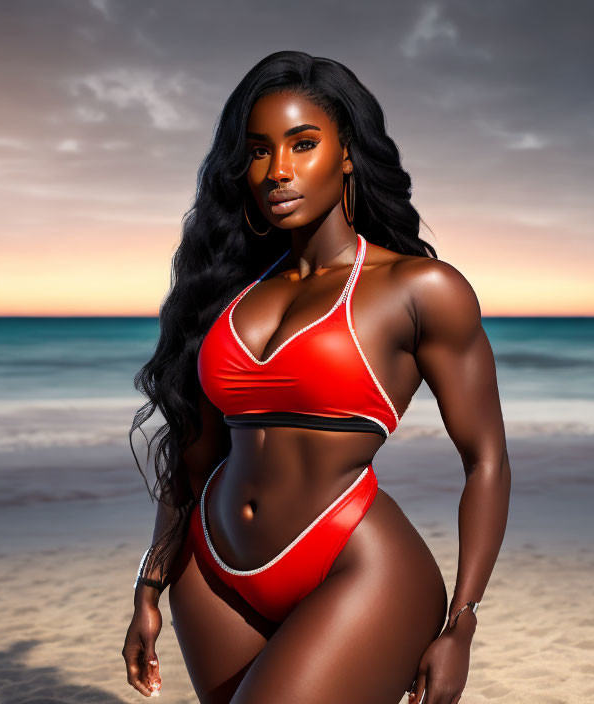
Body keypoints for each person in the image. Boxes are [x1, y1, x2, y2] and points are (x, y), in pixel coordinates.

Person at [122, 50, 510, 704]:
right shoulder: (226, 295)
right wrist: (149, 586)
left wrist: (462, 622)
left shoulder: (420, 290)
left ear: (349, 153)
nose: (278, 171)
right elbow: (192, 457)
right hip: (210, 568)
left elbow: (486, 459)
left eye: (303, 144)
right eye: (258, 151)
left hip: (356, 564)